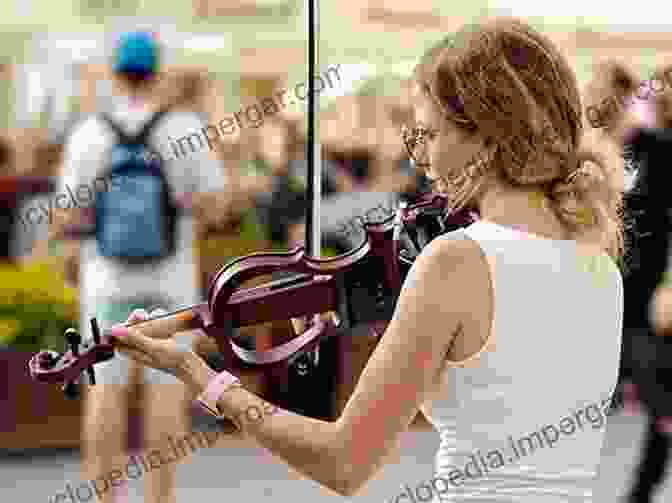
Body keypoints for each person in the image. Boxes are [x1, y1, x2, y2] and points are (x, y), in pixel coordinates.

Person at [107, 17, 624, 502]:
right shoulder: (599, 264)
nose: (421, 158)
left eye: (431, 134)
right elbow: (491, 382)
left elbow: (343, 463)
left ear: (485, 135)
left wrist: (205, 379)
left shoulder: (455, 262)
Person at [51, 31, 228, 503]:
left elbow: (66, 215)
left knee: (104, 393)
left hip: (105, 281)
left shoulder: (89, 132)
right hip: (170, 284)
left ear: (115, 73)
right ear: (158, 73)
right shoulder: (182, 127)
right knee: (166, 394)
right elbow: (216, 206)